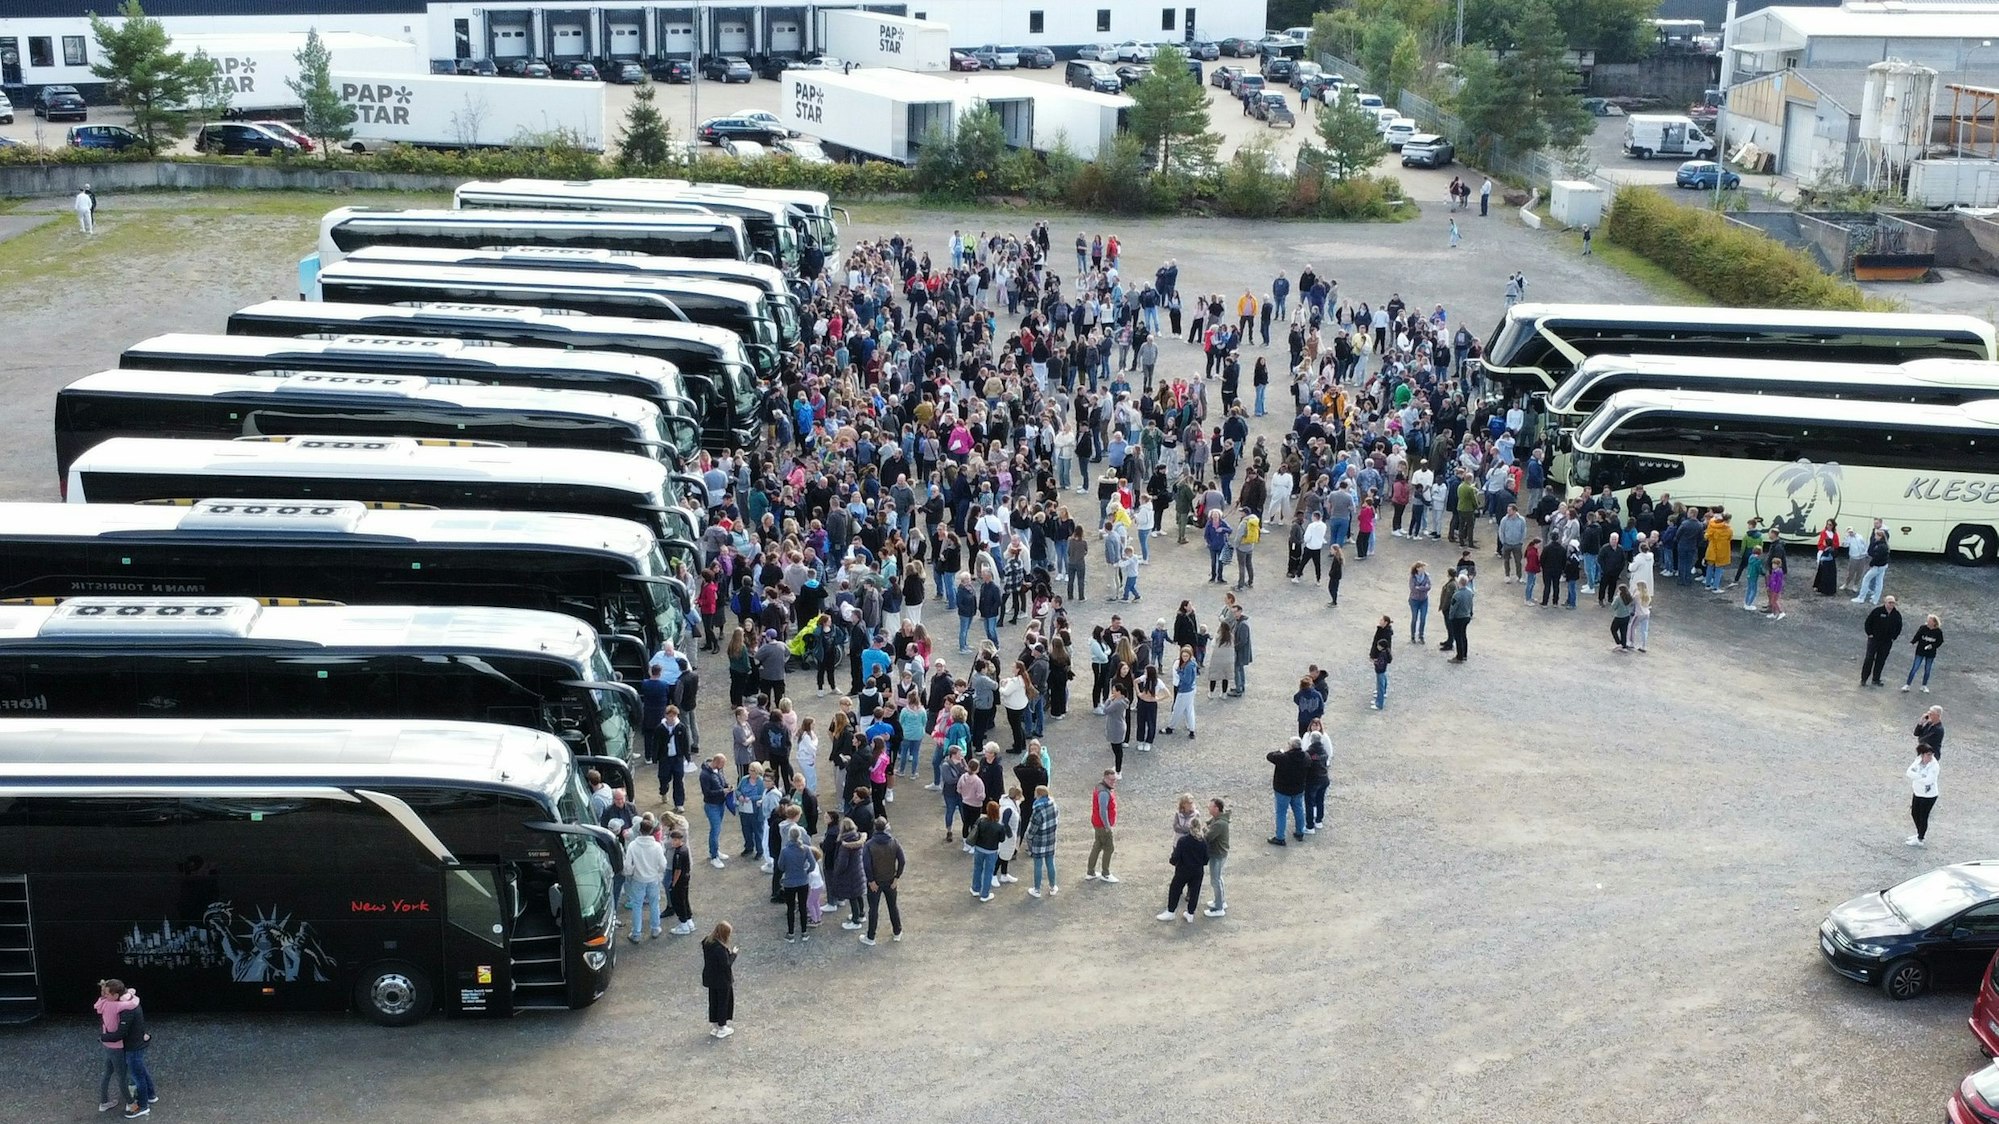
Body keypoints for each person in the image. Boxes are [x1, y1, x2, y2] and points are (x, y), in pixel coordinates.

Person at [94, 980, 145, 1117]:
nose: (105, 995)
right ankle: (132, 1105)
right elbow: (133, 1003)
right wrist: (132, 994)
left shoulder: (103, 1003)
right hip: (116, 1046)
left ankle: (103, 1102)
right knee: (122, 1077)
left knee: (107, 1072)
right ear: (115, 996)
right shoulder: (113, 1006)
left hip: (108, 1045)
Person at [860, 817, 905, 944]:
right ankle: (897, 931)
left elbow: (867, 864)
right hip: (891, 881)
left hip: (875, 882)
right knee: (892, 906)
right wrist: (897, 877)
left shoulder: (869, 845)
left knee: (873, 909)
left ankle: (871, 937)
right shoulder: (894, 842)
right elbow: (902, 860)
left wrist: (871, 880)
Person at [623, 812, 668, 942]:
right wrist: (658, 874)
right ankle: (655, 928)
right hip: (653, 879)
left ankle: (636, 933)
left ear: (639, 830)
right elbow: (663, 864)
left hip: (638, 879)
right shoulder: (657, 846)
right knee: (654, 903)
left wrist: (631, 873)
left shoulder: (633, 846)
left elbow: (627, 865)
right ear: (651, 831)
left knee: (637, 905)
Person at [1158, 818, 1210, 924]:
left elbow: (1176, 856)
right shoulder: (1203, 842)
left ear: (1189, 828)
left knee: (1175, 889)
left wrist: (1173, 861)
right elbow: (1206, 859)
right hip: (1197, 871)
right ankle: (1190, 913)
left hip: (1183, 870)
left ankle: (1171, 912)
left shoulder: (1183, 841)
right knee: (1194, 892)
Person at [1266, 736, 1308, 845]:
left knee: (1281, 813)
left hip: (1282, 790)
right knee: (1298, 809)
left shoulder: (1283, 757)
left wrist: (1279, 751)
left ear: (1290, 746)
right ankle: (1300, 832)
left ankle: (1280, 837)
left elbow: (1269, 756)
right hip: (1298, 789)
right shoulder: (1306, 757)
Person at [777, 823, 815, 941]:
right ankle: (804, 932)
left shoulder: (785, 851)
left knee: (790, 908)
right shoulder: (806, 849)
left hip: (789, 882)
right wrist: (806, 871)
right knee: (803, 907)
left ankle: (791, 933)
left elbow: (780, 866)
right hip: (803, 881)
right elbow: (813, 864)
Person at [701, 921, 737, 1038]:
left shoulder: (707, 942)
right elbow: (726, 965)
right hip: (722, 980)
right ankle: (722, 1026)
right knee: (723, 1002)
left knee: (713, 1001)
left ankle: (715, 1025)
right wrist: (733, 955)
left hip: (711, 978)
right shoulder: (720, 949)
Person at [967, 799, 1007, 902]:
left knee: (977, 868)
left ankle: (975, 888)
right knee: (988, 872)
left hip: (979, 848)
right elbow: (1002, 839)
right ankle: (985, 894)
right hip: (991, 851)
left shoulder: (981, 821)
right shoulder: (999, 826)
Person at [1085, 769, 1120, 883]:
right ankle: (1105, 873)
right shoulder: (1104, 792)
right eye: (1111, 780)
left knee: (1097, 845)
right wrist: (1107, 826)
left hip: (1097, 823)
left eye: (1114, 780)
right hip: (1102, 825)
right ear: (1105, 778)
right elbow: (1103, 810)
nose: (1113, 782)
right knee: (1109, 848)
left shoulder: (1100, 787)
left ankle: (1090, 872)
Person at [1861, 596, 1903, 687]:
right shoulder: (1877, 611)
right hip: (1874, 640)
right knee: (1869, 658)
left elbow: (1899, 627)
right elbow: (1868, 622)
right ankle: (1864, 679)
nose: (1891, 604)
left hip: (1887, 642)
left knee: (1881, 660)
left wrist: (1893, 637)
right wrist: (1870, 634)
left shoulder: (1896, 615)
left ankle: (1876, 679)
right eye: (1889, 602)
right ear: (1885, 602)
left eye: (1893, 603)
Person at [1026, 785, 1060, 898]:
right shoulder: (1054, 805)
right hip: (1051, 839)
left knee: (1038, 865)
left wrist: (1028, 837)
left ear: (1039, 795)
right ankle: (1052, 886)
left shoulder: (1037, 810)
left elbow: (1033, 829)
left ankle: (1037, 889)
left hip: (1039, 841)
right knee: (1050, 863)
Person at [700, 754, 731, 868]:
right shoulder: (705, 775)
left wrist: (728, 787)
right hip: (712, 805)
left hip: (720, 804)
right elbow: (707, 793)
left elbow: (723, 782)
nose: (723, 766)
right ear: (717, 762)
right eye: (722, 764)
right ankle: (714, 856)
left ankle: (715, 851)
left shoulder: (718, 770)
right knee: (715, 830)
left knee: (717, 830)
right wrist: (723, 792)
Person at [1907, 746, 1940, 847]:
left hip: (1929, 796)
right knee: (1914, 813)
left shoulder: (1934, 766)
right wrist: (1921, 776)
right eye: (1928, 755)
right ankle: (1919, 833)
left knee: (1923, 816)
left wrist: (1916, 777)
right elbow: (1908, 772)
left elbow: (1928, 781)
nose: (1930, 757)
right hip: (1917, 792)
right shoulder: (1918, 761)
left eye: (1931, 755)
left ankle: (1920, 838)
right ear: (1922, 755)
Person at [1203, 797, 1230, 917]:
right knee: (1218, 878)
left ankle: (1219, 908)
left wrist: (1204, 829)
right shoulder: (1217, 820)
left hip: (1217, 854)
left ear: (1216, 808)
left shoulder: (1219, 823)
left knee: (1215, 880)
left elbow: (1208, 837)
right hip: (1219, 853)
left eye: (1210, 806)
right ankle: (1220, 901)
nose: (1208, 808)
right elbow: (1208, 824)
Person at [665, 827, 694, 935]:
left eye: (675, 840)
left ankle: (683, 924)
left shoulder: (678, 853)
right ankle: (689, 921)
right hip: (686, 879)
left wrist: (673, 883)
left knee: (678, 902)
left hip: (680, 881)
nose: (673, 842)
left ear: (680, 840)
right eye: (672, 840)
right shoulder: (685, 848)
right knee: (685, 900)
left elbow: (678, 870)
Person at [1905, 613, 1943, 691]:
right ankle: (1907, 685)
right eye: (1928, 620)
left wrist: (1932, 646)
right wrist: (1912, 642)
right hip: (1920, 652)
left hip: (1930, 654)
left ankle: (1924, 685)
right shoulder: (1923, 628)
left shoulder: (1938, 631)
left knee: (1927, 669)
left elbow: (1940, 641)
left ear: (1934, 622)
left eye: (1930, 621)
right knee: (1914, 668)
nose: (1928, 622)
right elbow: (1917, 636)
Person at [1444, 574, 1474, 662]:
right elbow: (1471, 604)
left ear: (1459, 582)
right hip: (1466, 616)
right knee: (1464, 635)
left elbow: (1453, 608)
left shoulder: (1457, 595)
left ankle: (1459, 656)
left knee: (1458, 637)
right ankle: (1464, 654)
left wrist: (1451, 617)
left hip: (1458, 618)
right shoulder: (1470, 592)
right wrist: (1470, 613)